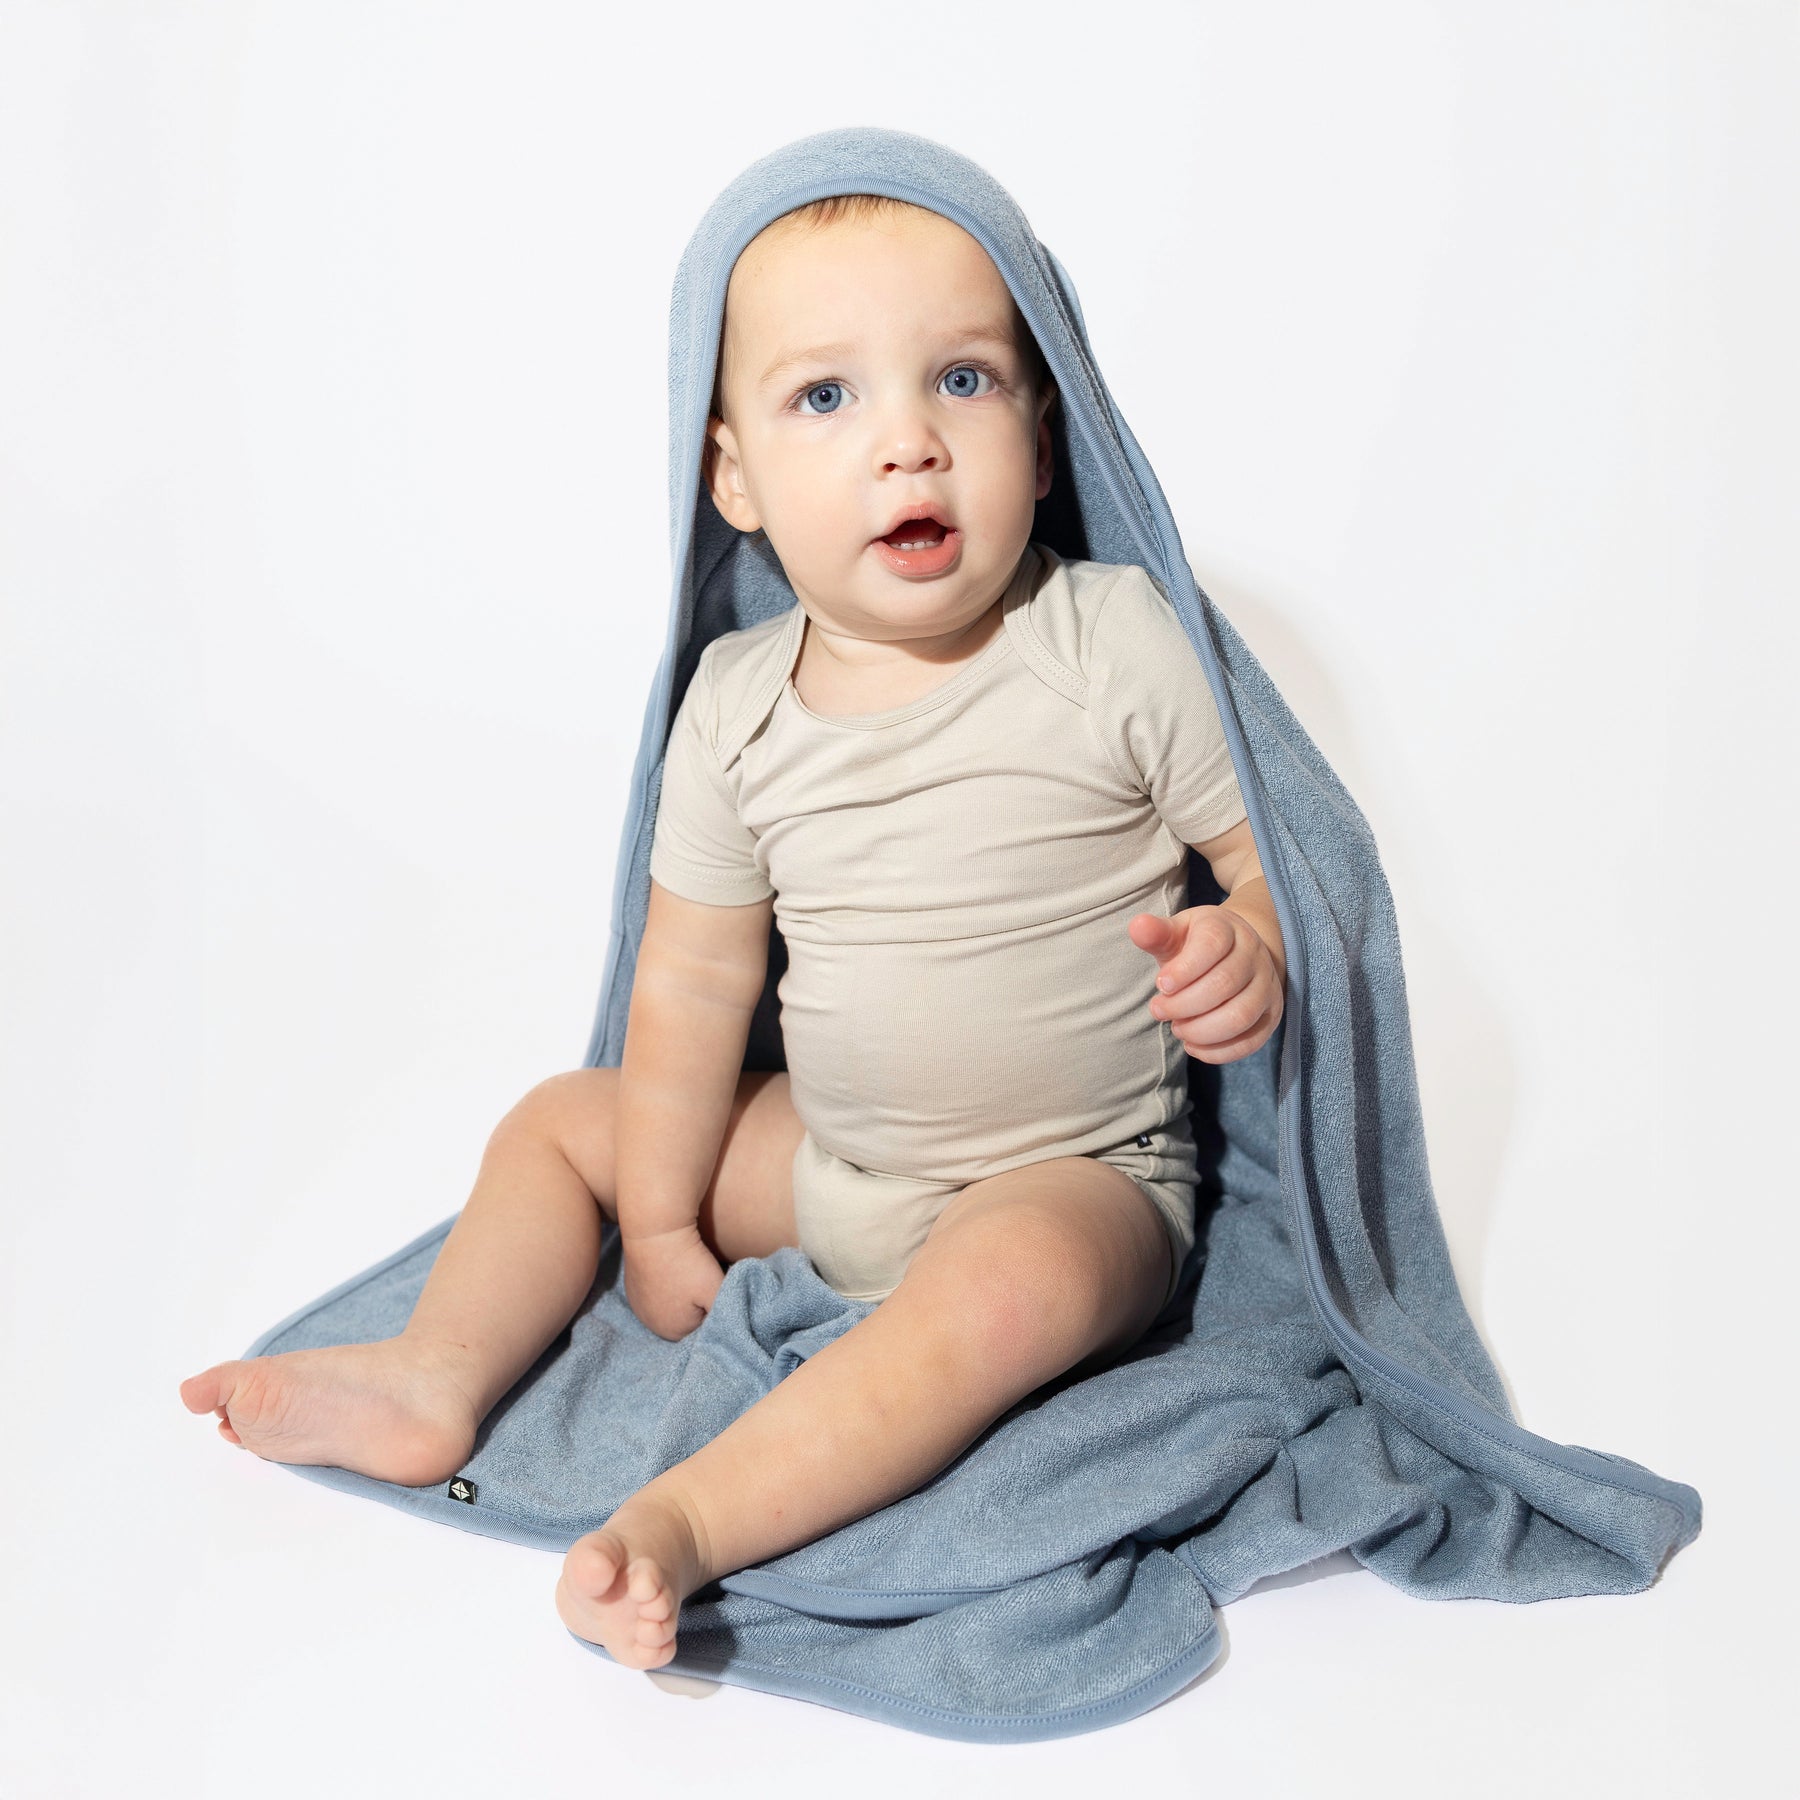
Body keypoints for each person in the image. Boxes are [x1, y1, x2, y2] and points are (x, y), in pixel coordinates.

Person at [179, 191, 1287, 1672]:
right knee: (565, 1119)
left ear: (1042, 427)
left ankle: (689, 1521)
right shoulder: (739, 707)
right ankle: (436, 1376)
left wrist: (1250, 951)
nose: (909, 440)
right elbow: (696, 978)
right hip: (837, 1168)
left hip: (1076, 1180)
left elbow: (1268, 869)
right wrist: (657, 1214)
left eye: (962, 379)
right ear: (738, 478)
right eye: (825, 395)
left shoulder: (1108, 642)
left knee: (1005, 1284)